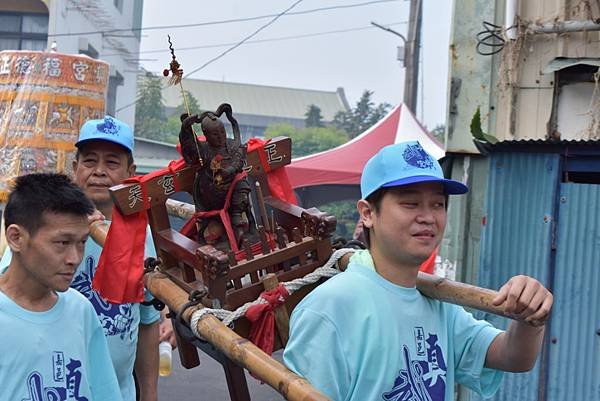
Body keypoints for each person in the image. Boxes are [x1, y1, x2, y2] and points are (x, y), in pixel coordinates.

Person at [283, 141, 553, 401]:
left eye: (438, 204)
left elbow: (514, 357)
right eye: (410, 203)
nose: (428, 216)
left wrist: (530, 317)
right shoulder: (330, 308)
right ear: (367, 213)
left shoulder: (439, 304)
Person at [0, 116, 171, 401]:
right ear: (75, 168)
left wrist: (149, 393)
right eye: (90, 161)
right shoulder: (42, 228)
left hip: (113, 387)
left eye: (112, 163)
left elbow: (147, 321)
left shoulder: (144, 240)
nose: (99, 172)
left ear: (132, 172)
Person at [0, 173, 122, 400]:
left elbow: (105, 392)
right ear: (16, 238)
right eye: (62, 243)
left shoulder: (81, 310)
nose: (74, 258)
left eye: (82, 243)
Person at [179, 109, 256, 247]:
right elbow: (191, 152)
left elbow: (239, 161)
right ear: (206, 135)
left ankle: (238, 224)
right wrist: (186, 129)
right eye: (215, 134)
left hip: (233, 188)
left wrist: (228, 171)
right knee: (209, 188)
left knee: (242, 185)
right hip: (212, 192)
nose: (220, 137)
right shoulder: (204, 150)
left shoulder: (233, 145)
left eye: (222, 132)